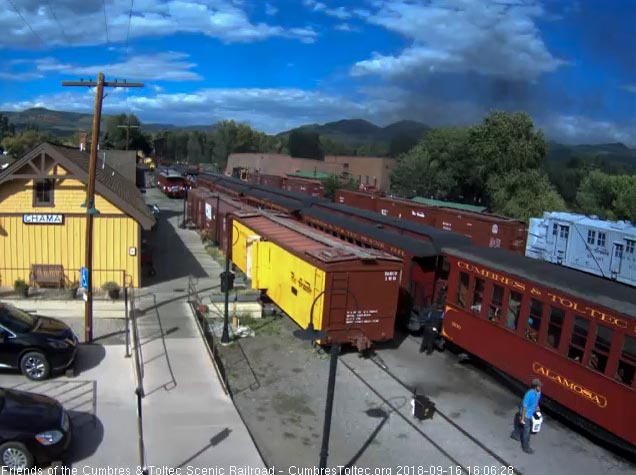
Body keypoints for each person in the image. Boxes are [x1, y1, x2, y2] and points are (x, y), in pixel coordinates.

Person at [511, 378, 542, 454]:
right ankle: (526, 447)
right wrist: (522, 418)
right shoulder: (529, 394)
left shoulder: (538, 393)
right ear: (535, 387)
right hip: (526, 414)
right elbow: (524, 407)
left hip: (531, 412)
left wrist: (537, 407)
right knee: (527, 431)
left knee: (522, 425)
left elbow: (536, 401)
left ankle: (515, 434)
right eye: (539, 386)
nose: (540, 387)